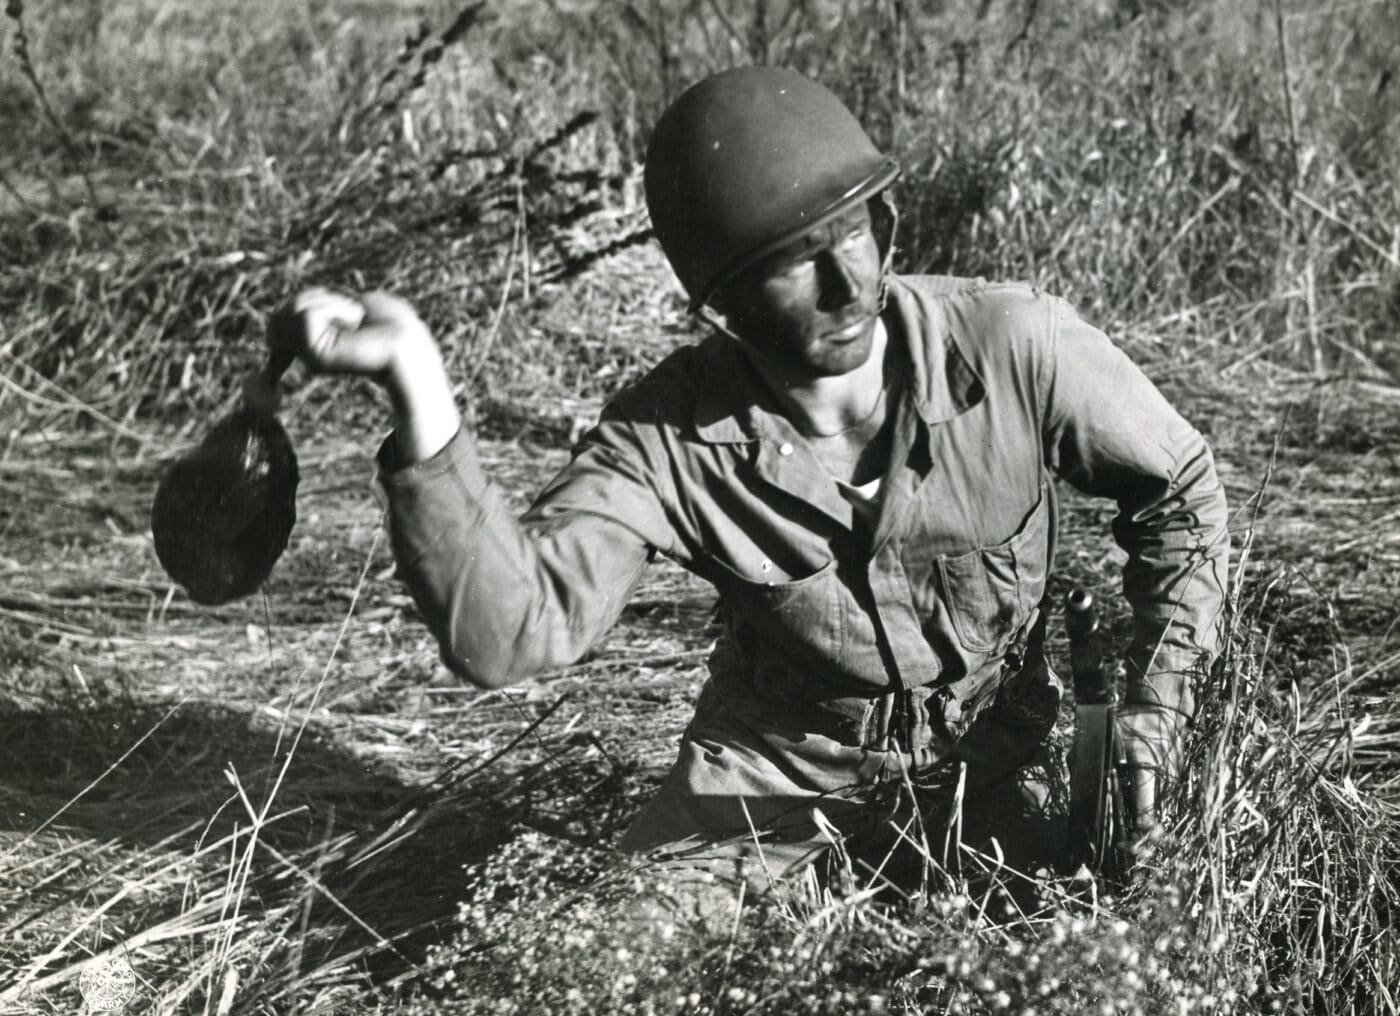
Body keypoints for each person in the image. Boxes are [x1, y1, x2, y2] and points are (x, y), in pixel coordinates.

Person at [270, 66, 1228, 897]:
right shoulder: (666, 436)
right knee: (609, 963)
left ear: (887, 223)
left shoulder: (1015, 347)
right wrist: (419, 389)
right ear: (723, 304)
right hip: (772, 778)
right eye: (791, 261)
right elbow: (511, 632)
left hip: (997, 754)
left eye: (855, 231)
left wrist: (1157, 711)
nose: (848, 283)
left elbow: (1180, 487)